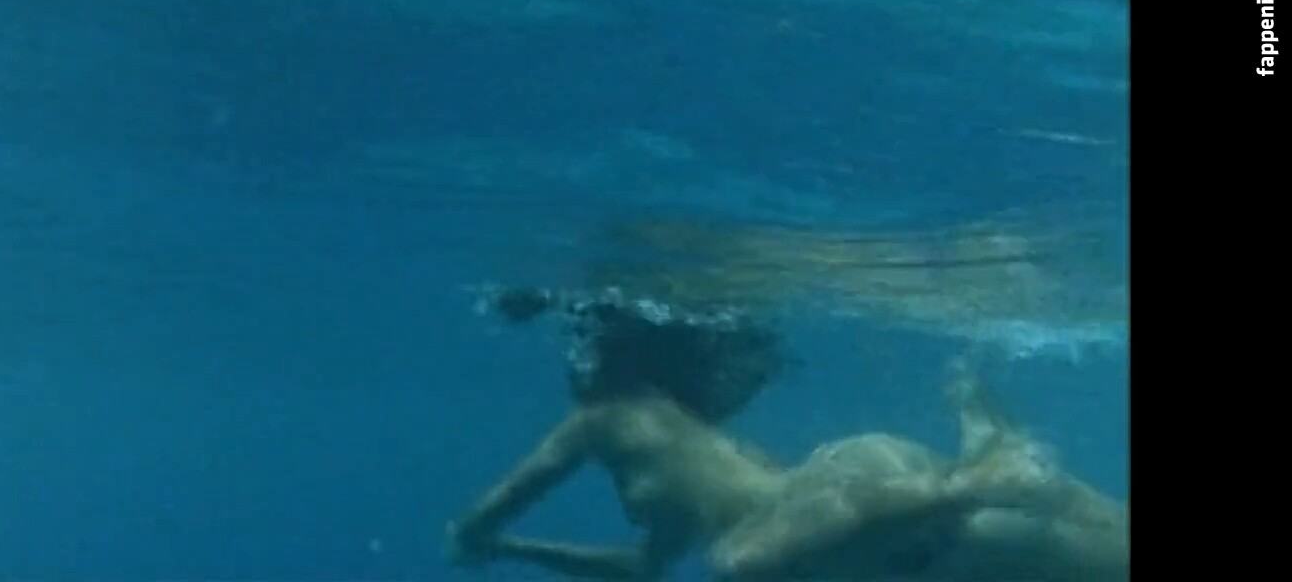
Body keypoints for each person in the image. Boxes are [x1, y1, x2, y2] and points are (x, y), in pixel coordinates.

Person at [446, 286, 1128, 581]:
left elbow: (497, 502)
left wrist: (474, 534)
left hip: (824, 510)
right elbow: (642, 571)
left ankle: (981, 468)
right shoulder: (682, 466)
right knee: (1028, 541)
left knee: (741, 564)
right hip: (842, 508)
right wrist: (515, 551)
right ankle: (982, 443)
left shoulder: (608, 416)